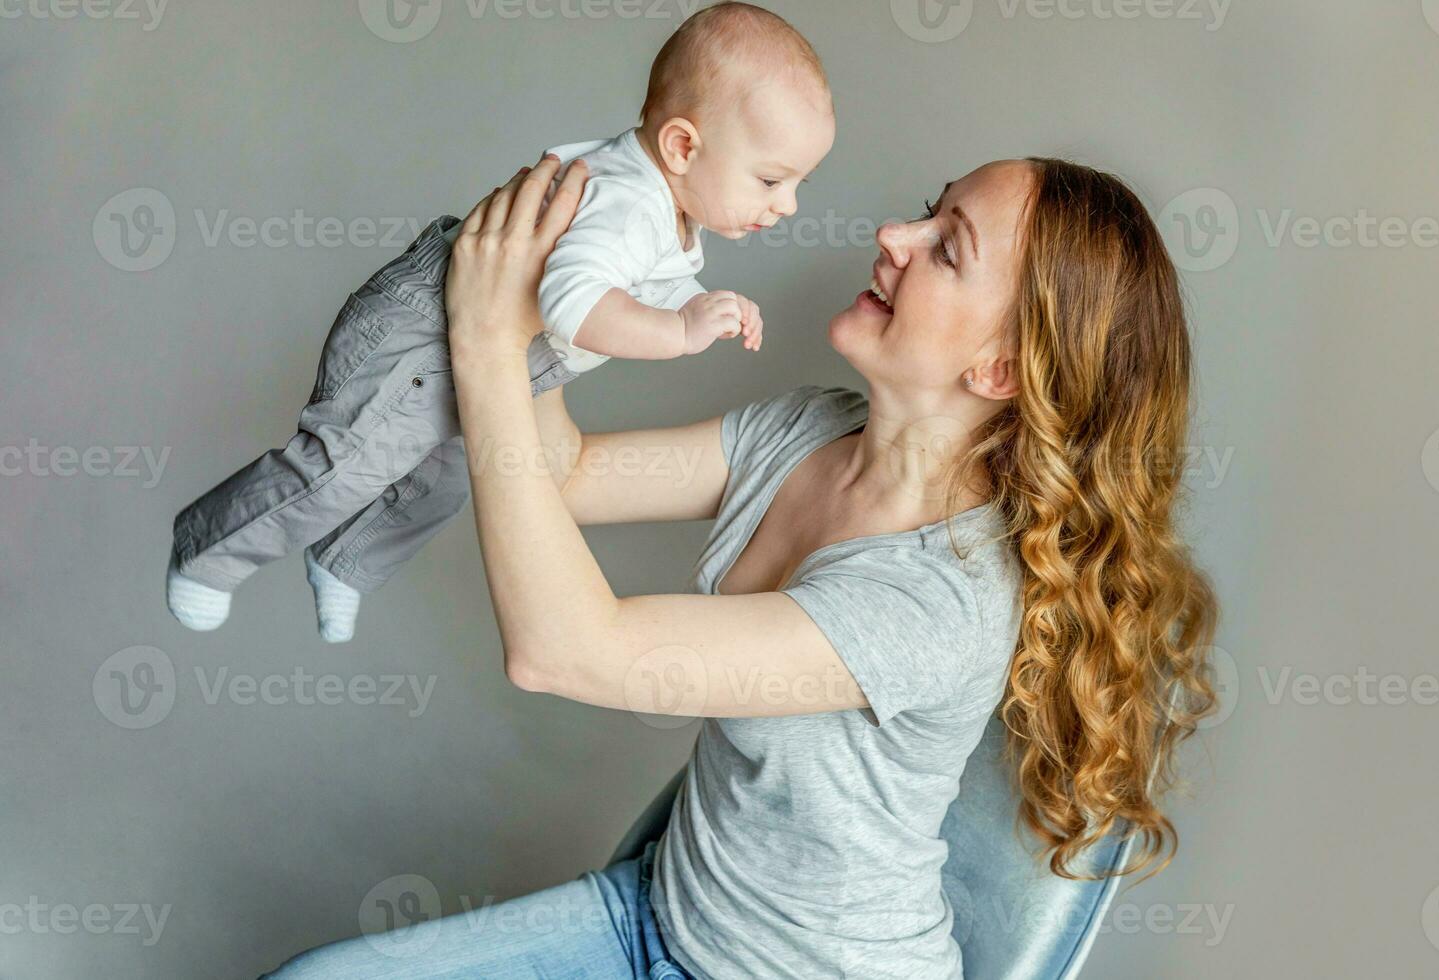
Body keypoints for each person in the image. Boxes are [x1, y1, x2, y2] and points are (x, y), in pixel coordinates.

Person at [261, 150, 1219, 979]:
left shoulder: (937, 598)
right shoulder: (808, 429)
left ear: (1000, 372)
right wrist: (546, 311)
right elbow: (568, 474)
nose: (895, 233)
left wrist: (483, 340)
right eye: (929, 210)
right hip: (657, 917)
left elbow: (564, 650)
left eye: (946, 246)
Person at [165, 1, 834, 642]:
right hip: (422, 327)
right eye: (772, 180)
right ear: (683, 147)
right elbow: (576, 304)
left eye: (798, 184)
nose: (789, 205)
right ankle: (209, 551)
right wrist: (681, 331)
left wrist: (697, 304)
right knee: (350, 463)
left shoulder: (669, 209)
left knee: (452, 477)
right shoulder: (628, 201)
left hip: (498, 350)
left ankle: (347, 561)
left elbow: (640, 282)